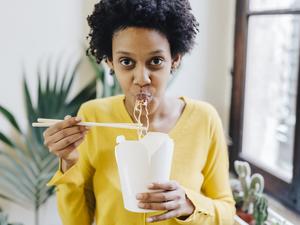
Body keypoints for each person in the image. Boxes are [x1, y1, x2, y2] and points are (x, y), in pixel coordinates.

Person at [44, 0, 236, 224]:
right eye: (126, 62)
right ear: (110, 63)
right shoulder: (93, 117)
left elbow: (227, 211)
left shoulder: (205, 119)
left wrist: (189, 205)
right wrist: (68, 163)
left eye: (155, 61)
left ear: (175, 59)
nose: (142, 78)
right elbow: (77, 221)